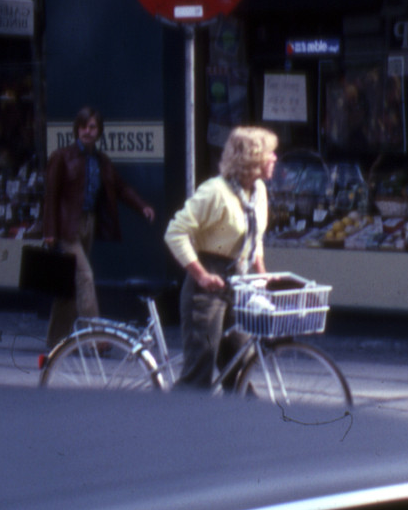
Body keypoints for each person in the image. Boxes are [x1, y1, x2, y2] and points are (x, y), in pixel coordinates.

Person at [165, 126, 277, 389]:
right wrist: (201, 275)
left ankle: (241, 423)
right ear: (253, 157)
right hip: (207, 286)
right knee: (199, 370)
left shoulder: (258, 191)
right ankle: (171, 424)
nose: (275, 159)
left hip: (238, 282)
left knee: (240, 364)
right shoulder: (214, 191)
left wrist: (260, 271)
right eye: (270, 153)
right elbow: (175, 232)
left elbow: (254, 235)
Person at [42, 108, 157, 347]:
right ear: (76, 129)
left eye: (92, 127)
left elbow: (121, 187)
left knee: (68, 285)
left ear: (99, 131)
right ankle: (96, 338)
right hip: (66, 228)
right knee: (85, 277)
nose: (87, 131)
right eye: (83, 126)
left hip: (88, 224)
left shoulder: (102, 161)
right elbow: (50, 196)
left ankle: (55, 341)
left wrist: (142, 206)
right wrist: (50, 232)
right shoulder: (62, 157)